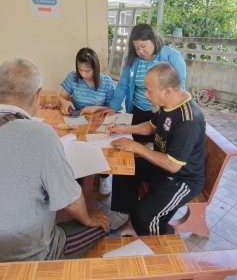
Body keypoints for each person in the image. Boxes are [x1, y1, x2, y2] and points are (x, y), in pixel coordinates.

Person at [0, 58, 109, 262]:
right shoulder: (40, 134)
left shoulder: (104, 83)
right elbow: (71, 200)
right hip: (28, 255)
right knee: (100, 226)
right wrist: (88, 218)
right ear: (38, 96)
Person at [105, 62, 205, 237]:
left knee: (144, 216)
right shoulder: (169, 104)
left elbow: (174, 166)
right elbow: (151, 127)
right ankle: (131, 224)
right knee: (124, 171)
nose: (145, 94)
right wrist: (123, 129)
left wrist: (136, 147)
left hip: (182, 178)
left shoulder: (188, 120)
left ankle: (158, 240)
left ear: (167, 90)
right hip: (161, 164)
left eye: (149, 90)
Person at [101, 23, 186, 143]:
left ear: (153, 39)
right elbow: (123, 85)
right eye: (136, 48)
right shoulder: (131, 59)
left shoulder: (173, 56)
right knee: (137, 145)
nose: (140, 51)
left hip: (162, 112)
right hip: (139, 111)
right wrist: (113, 106)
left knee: (159, 146)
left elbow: (179, 88)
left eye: (143, 46)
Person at [58, 47, 114, 196]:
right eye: (80, 70)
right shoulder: (73, 77)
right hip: (77, 121)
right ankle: (78, 176)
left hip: (98, 122)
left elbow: (110, 109)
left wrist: (95, 108)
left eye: (87, 71)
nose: (83, 74)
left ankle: (104, 176)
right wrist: (64, 103)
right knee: (73, 147)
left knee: (101, 147)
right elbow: (61, 97)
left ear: (96, 68)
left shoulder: (107, 82)